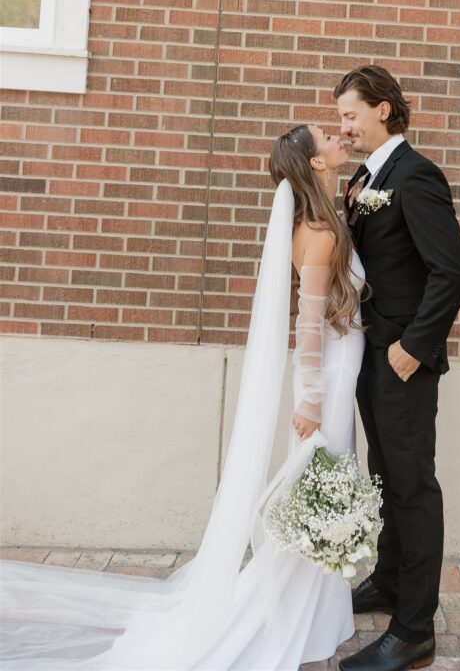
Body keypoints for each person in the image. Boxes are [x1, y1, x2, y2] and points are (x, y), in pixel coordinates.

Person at [0, 124, 366, 670]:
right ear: (315, 165)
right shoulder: (317, 231)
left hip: (340, 363)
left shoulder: (329, 214)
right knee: (320, 487)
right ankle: (289, 609)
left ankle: (319, 608)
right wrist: (310, 399)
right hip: (329, 373)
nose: (339, 136)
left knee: (326, 483)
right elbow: (308, 324)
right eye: (327, 138)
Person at [335, 66, 460, 671]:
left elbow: (453, 270)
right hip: (371, 353)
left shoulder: (415, 176)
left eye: (350, 114)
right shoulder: (369, 179)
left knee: (414, 488)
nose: (344, 126)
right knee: (385, 471)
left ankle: (414, 629)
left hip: (404, 361)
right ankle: (389, 581)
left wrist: (413, 347)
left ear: (384, 110)